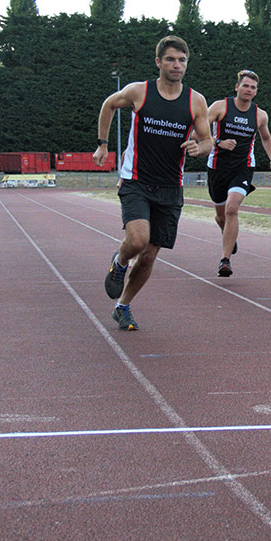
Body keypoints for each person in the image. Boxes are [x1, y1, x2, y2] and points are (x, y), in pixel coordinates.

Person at [93, 35, 213, 331]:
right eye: (171, 59)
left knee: (148, 257)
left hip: (171, 186)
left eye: (182, 60)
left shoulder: (195, 100)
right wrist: (102, 144)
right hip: (136, 180)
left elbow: (208, 139)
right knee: (137, 241)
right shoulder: (139, 92)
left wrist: (201, 147)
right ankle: (120, 262)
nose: (177, 65)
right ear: (158, 62)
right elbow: (109, 105)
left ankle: (123, 306)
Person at [206, 69, 271, 278]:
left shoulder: (260, 115)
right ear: (237, 87)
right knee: (221, 216)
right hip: (217, 167)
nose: (249, 90)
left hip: (243, 167)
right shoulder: (220, 107)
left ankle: (225, 260)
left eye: (253, 87)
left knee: (232, 208)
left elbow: (266, 138)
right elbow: (199, 132)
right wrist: (219, 142)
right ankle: (228, 233)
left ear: (256, 92)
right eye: (245, 85)